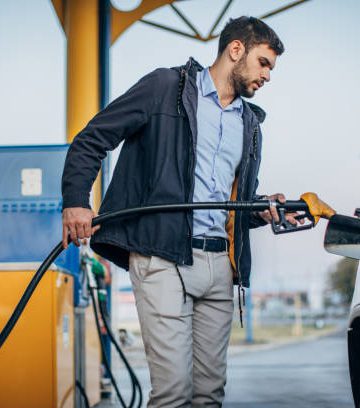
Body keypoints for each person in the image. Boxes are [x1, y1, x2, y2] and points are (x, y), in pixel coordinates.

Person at [62, 16, 303, 407]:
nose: (268, 76)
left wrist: (266, 209)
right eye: (264, 63)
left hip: (220, 266)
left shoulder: (249, 124)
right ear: (236, 49)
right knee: (173, 393)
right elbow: (92, 139)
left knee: (209, 395)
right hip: (162, 255)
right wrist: (76, 200)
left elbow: (237, 201)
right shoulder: (165, 88)